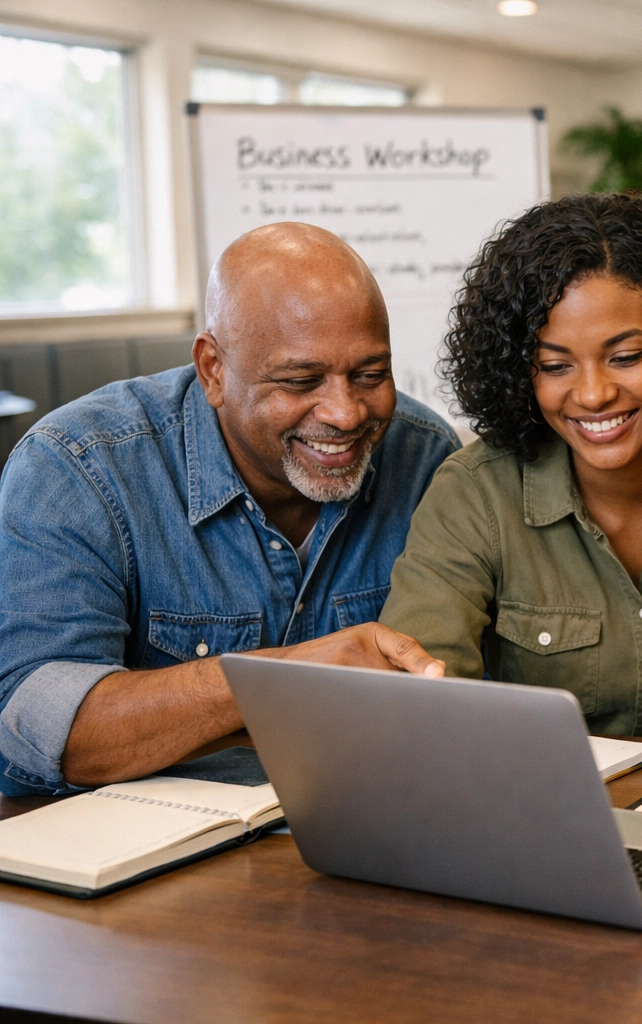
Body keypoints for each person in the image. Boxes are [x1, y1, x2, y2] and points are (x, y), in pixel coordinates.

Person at [0, 223, 458, 796]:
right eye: (301, 379)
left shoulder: (425, 457)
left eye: (370, 375)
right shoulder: (77, 468)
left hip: (363, 821)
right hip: (142, 851)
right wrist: (280, 682)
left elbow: (447, 707)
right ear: (213, 370)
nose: (345, 413)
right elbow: (42, 731)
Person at [379, 194, 642, 736]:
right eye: (555, 365)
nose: (593, 394)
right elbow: (423, 689)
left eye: (625, 358)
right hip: (557, 811)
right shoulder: (477, 493)